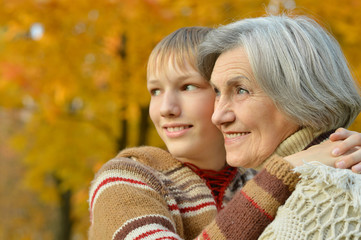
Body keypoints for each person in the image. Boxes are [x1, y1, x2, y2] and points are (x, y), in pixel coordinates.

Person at [88, 26, 361, 240]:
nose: (165, 109)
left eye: (188, 87)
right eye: (155, 91)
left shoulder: (258, 178)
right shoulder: (127, 178)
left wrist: (338, 150)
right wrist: (285, 169)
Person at [197, 14, 361, 239]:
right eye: (217, 92)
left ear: (301, 95)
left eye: (241, 90)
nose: (217, 116)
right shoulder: (271, 188)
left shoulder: (323, 198)